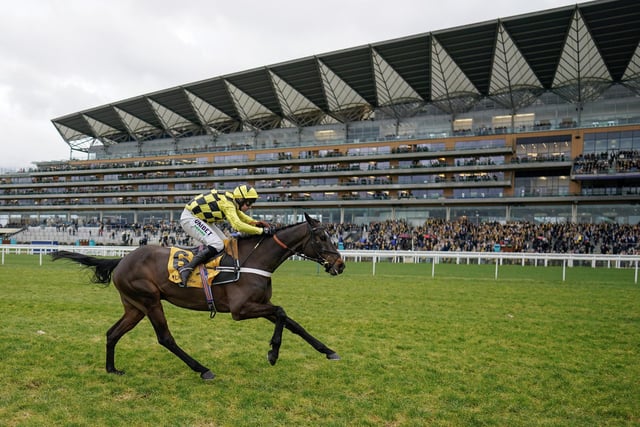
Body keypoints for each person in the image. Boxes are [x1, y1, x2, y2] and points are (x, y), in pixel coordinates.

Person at [178, 184, 271, 286]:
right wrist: (261, 231)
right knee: (217, 244)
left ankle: (215, 270)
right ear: (240, 199)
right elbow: (237, 225)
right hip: (190, 217)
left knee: (225, 244)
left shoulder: (232, 200)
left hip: (201, 219)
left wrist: (255, 222)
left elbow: (240, 216)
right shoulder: (228, 203)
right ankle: (187, 268)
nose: (250, 206)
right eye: (249, 203)